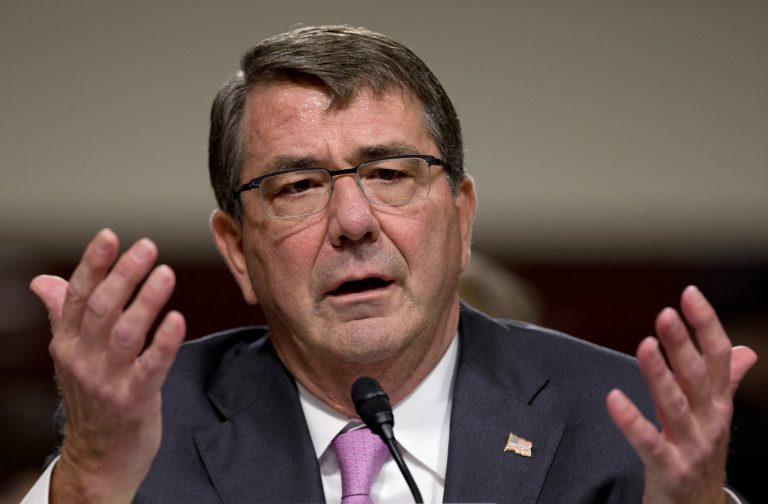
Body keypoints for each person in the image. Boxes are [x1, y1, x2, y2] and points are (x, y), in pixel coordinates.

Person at [22, 25, 757, 503]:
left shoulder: (619, 422)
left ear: (461, 218)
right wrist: (90, 475)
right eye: (299, 185)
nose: (352, 223)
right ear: (238, 251)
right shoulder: (143, 429)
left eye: (390, 173)